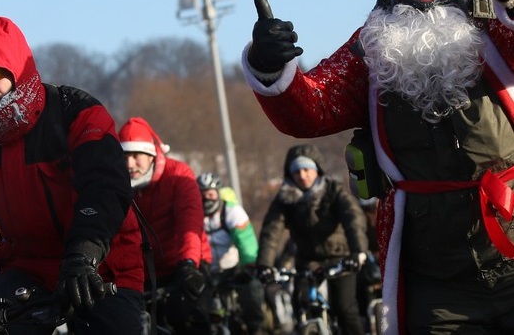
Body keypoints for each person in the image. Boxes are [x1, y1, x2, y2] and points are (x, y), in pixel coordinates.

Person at [241, 0, 514, 332]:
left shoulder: (495, 19)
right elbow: (313, 108)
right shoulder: (371, 45)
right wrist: (268, 65)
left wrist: (512, 2)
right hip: (435, 277)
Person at [0, 17, 145, 335]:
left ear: (17, 71)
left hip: (102, 262)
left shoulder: (76, 113)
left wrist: (85, 253)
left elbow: (104, 187)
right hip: (26, 267)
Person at [255, 144, 368, 335]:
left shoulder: (334, 191)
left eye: (307, 169)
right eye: (297, 171)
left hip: (340, 259)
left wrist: (358, 252)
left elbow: (353, 218)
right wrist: (265, 265)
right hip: (307, 262)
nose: (302, 175)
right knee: (300, 307)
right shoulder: (285, 198)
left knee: (345, 309)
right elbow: (271, 231)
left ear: (317, 169)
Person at [118, 117, 212, 335]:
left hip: (187, 261)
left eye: (135, 156)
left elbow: (189, 222)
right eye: (123, 157)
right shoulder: (117, 185)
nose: (129, 164)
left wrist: (188, 264)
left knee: (186, 316)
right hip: (142, 272)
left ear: (151, 154)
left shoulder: (178, 174)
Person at [197, 172, 265, 335]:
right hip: (205, 270)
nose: (207, 199)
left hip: (233, 268)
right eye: (202, 195)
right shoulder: (193, 214)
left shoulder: (232, 212)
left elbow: (246, 242)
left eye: (211, 194)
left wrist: (248, 265)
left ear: (218, 194)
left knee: (251, 290)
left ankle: (255, 328)